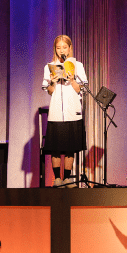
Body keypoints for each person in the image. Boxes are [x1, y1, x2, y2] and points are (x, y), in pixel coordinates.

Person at [41, 34, 88, 188]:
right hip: (56, 113)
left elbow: (80, 89)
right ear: (55, 49)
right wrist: (53, 82)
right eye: (58, 48)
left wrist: (72, 79)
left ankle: (67, 178)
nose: (61, 50)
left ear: (70, 48)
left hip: (72, 112)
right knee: (55, 148)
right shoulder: (49, 66)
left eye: (64, 47)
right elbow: (49, 91)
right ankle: (57, 178)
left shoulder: (78, 66)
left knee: (70, 148)